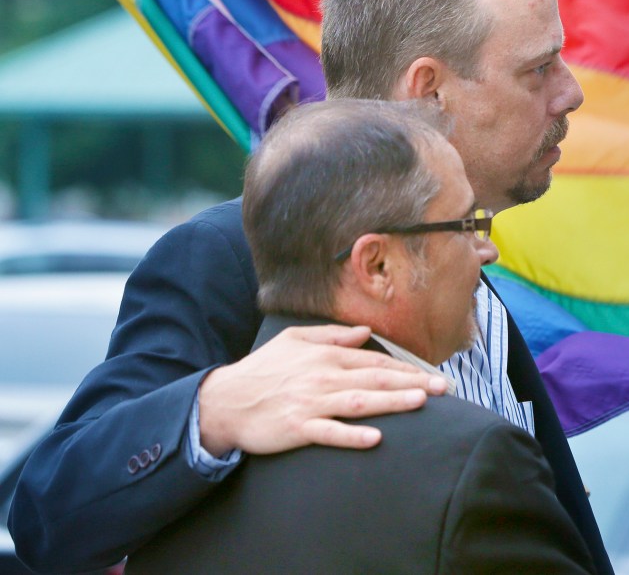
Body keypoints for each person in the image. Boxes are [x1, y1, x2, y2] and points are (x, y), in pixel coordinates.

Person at [9, 0, 613, 575]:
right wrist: (215, 408)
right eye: (538, 68)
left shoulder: (453, 251)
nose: (570, 91)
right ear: (429, 88)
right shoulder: (229, 254)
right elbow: (49, 512)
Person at [126, 98, 598, 574]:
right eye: (466, 225)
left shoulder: (170, 477)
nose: (486, 249)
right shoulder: (474, 462)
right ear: (376, 266)